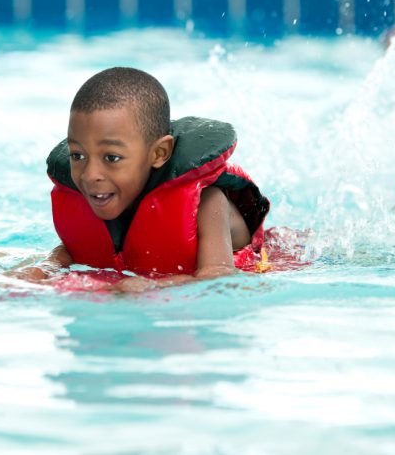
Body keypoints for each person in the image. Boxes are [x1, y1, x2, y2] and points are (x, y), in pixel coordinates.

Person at [15, 66, 294, 291]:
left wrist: (156, 286)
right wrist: (47, 266)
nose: (90, 175)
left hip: (276, 259)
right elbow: (77, 249)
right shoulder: (101, 193)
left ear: (159, 153)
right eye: (78, 156)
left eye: (111, 158)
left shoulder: (208, 202)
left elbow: (219, 279)